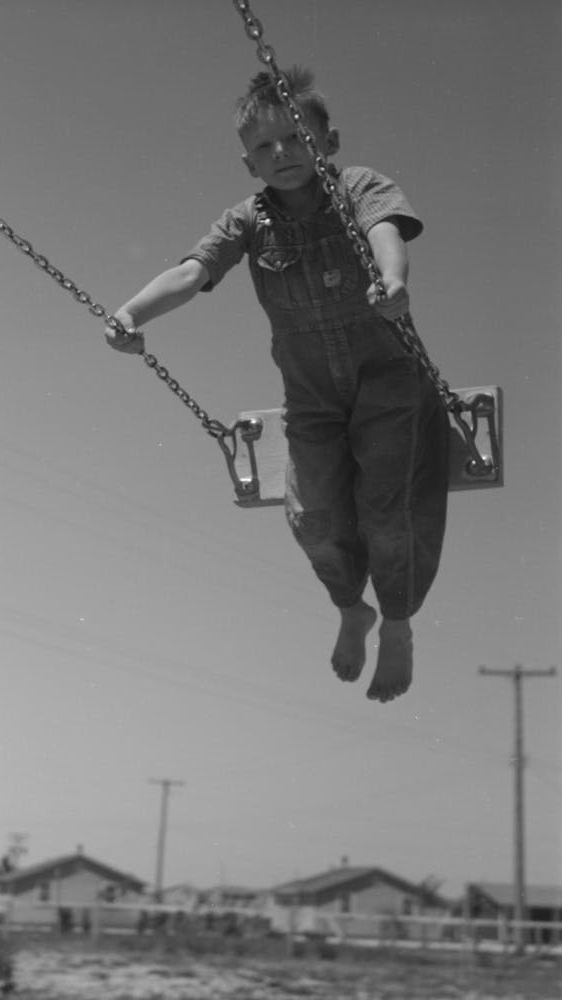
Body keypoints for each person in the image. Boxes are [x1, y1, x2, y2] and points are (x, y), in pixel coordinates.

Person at [106, 67, 449, 703]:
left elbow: (384, 231)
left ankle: (397, 622)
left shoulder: (358, 187)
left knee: (388, 511)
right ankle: (352, 607)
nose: (283, 153)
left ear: (330, 139)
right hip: (313, 397)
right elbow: (193, 272)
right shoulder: (247, 221)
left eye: (295, 137)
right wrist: (130, 313)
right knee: (312, 518)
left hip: (388, 381)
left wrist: (393, 281)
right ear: (248, 164)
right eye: (265, 147)